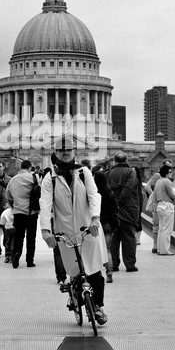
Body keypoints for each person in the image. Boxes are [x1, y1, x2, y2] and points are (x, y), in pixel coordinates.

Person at [39, 136, 108, 325]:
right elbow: (45, 205)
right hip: (65, 230)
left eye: (68, 151)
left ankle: (98, 307)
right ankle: (77, 298)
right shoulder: (49, 178)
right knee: (75, 270)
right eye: (62, 151)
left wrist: (95, 218)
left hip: (88, 227)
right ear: (56, 153)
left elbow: (94, 196)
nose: (65, 153)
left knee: (94, 270)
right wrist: (46, 230)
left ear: (74, 152)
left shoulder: (84, 173)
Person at [106, 152, 140, 272]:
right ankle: (130, 265)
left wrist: (114, 203)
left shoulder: (108, 173)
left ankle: (114, 264)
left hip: (113, 212)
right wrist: (120, 201)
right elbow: (129, 188)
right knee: (129, 238)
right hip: (129, 211)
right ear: (126, 160)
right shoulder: (132, 172)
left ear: (114, 161)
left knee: (113, 240)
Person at [6, 160, 38, 268]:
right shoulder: (34, 178)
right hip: (32, 212)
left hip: (18, 212)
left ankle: (16, 253)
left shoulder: (12, 180)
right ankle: (30, 261)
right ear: (30, 167)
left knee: (19, 236)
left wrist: (14, 205)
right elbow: (40, 191)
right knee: (31, 237)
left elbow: (8, 195)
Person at [93, 170, 119, 283]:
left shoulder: (94, 194)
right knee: (107, 249)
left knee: (96, 249)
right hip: (108, 224)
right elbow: (115, 209)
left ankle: (96, 272)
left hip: (97, 224)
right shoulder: (110, 193)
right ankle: (109, 272)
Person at [144, 159, 172, 253]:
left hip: (163, 204)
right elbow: (147, 186)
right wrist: (155, 196)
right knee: (157, 226)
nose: (170, 170)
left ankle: (160, 247)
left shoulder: (166, 178)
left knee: (162, 226)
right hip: (159, 204)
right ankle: (156, 246)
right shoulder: (158, 176)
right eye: (168, 167)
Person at [155, 164, 175, 255]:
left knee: (161, 229)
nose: (171, 173)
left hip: (160, 206)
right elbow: (171, 194)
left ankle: (159, 249)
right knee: (167, 230)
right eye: (170, 172)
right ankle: (165, 250)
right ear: (166, 173)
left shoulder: (158, 181)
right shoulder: (167, 181)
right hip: (167, 206)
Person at [133, 166, 144, 245]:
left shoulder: (137, 181)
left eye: (134, 171)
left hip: (138, 202)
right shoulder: (130, 180)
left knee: (138, 220)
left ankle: (138, 239)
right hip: (133, 202)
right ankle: (135, 238)